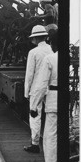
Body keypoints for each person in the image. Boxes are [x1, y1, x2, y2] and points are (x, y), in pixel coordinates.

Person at [30, 29, 58, 162]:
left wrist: (34, 106)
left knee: (50, 139)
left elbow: (41, 86)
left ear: (52, 42)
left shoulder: (50, 59)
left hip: (53, 102)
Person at [23, 25, 53, 153]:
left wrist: (26, 92)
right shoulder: (52, 50)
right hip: (51, 88)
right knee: (51, 116)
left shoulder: (33, 52)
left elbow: (29, 74)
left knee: (35, 115)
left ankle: (35, 144)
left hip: (37, 88)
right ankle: (50, 145)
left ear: (35, 38)